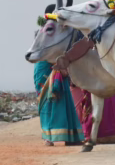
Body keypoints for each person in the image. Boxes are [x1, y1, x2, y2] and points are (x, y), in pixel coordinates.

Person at [34, 9, 85, 146]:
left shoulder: (62, 32)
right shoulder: (43, 33)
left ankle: (71, 137)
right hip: (46, 69)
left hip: (58, 69)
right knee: (47, 101)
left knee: (65, 101)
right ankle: (48, 137)